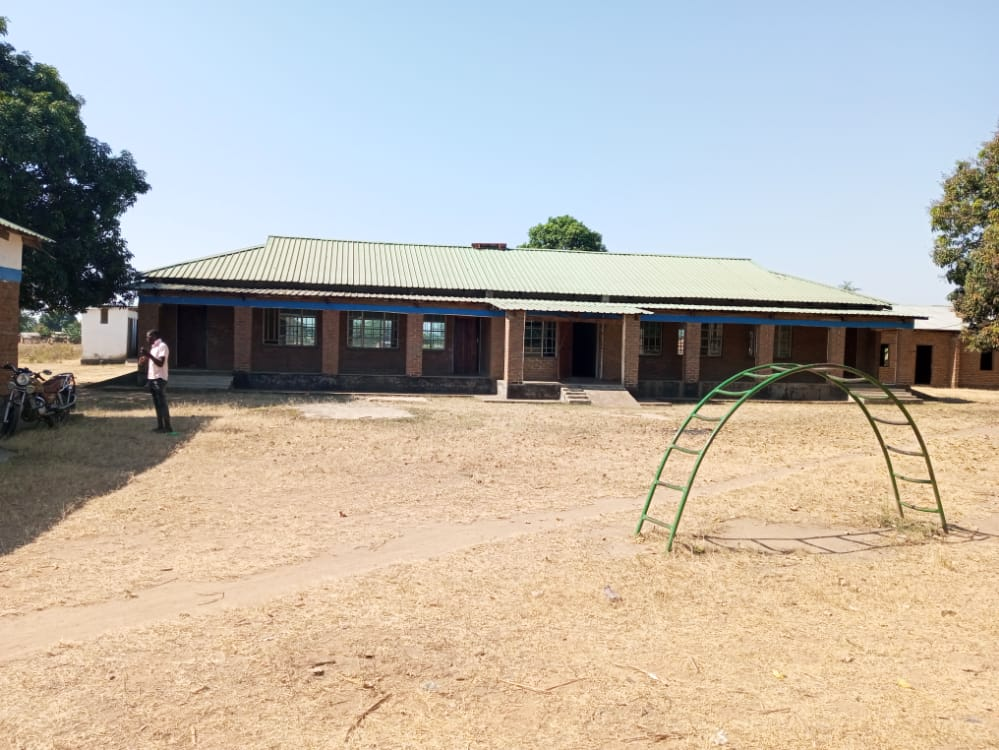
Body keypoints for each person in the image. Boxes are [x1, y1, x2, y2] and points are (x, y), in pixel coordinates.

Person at [139, 329, 173, 433]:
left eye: (148, 336)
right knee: (157, 404)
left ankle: (168, 427)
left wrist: (148, 355)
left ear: (154, 336)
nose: (146, 339)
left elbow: (160, 363)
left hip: (160, 378)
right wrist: (143, 361)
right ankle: (160, 426)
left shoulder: (162, 346)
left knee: (162, 403)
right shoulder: (153, 348)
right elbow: (153, 361)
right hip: (152, 378)